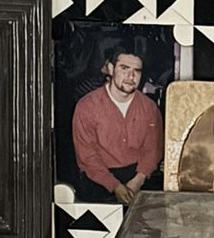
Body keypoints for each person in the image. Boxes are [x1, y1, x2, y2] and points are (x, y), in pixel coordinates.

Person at [70, 45, 163, 206]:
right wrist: (115, 186)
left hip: (138, 175)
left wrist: (137, 182)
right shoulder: (87, 106)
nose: (131, 76)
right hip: (99, 178)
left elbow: (152, 150)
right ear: (111, 69)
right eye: (124, 68)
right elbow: (87, 157)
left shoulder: (149, 108)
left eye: (137, 71)